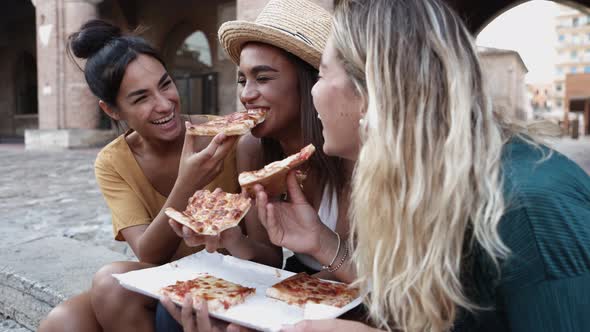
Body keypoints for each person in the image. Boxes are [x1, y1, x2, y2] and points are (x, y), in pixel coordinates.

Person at [179, 0, 590, 331]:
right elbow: (417, 311)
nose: (315, 94)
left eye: (321, 73)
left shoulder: (532, 206)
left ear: (374, 88)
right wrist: (321, 242)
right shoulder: (422, 181)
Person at [157, 0, 355, 330]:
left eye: (262, 78)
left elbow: (357, 272)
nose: (247, 95)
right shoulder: (252, 149)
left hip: (354, 282)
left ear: (308, 82)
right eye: (241, 80)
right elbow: (268, 258)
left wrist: (261, 308)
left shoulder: (347, 151)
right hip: (294, 276)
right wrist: (229, 235)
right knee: (175, 309)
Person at [39, 20, 239, 332]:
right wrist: (187, 185)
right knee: (62, 322)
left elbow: (268, 252)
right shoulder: (113, 161)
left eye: (165, 84)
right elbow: (149, 253)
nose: (164, 104)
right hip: (165, 277)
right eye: (140, 98)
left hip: (231, 278)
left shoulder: (228, 136)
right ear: (113, 111)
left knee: (108, 283)